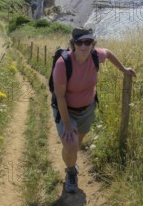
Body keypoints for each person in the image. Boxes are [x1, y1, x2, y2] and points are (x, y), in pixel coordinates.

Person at [52, 27, 136, 193]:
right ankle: (71, 172)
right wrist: (67, 124)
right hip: (66, 111)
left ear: (92, 44)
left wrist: (123, 69)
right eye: (80, 42)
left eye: (88, 42)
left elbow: (109, 53)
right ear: (73, 44)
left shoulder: (96, 55)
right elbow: (60, 96)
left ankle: (72, 160)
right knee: (70, 144)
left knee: (78, 141)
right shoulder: (63, 64)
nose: (84, 46)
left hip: (87, 109)